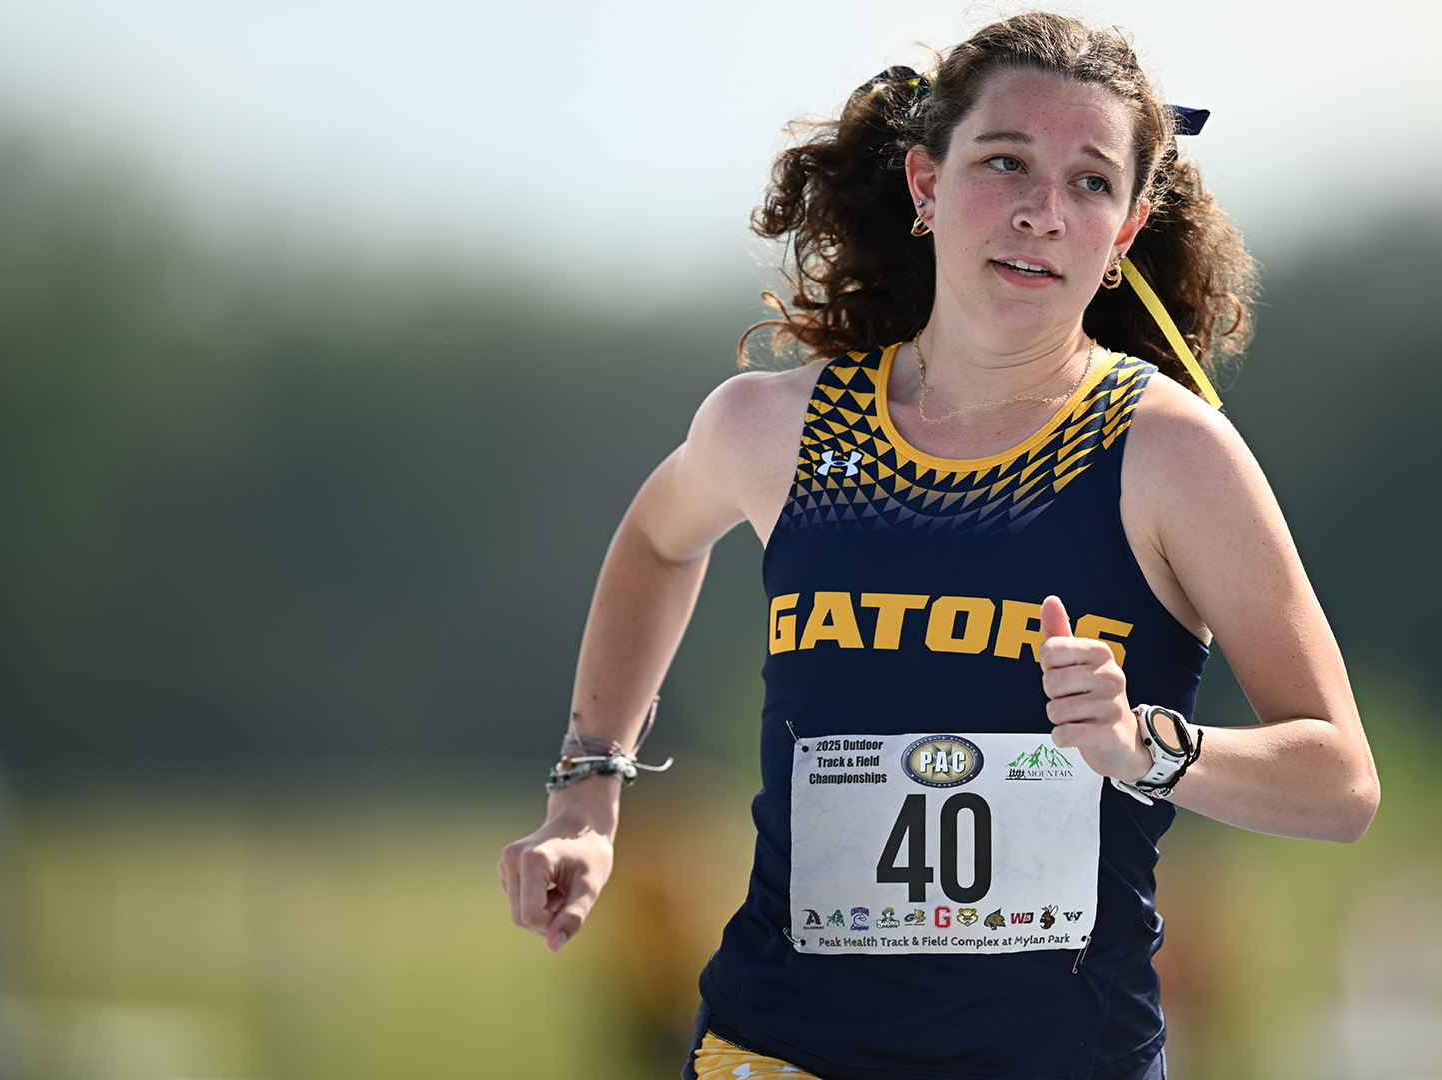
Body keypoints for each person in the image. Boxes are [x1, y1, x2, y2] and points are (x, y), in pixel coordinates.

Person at [499, 12, 1378, 1079]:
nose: (1041, 212)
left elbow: (1341, 781)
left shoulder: (1172, 455)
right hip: (776, 1051)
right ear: (926, 184)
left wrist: (1147, 745)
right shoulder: (774, 428)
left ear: (1130, 226)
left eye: (1091, 182)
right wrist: (587, 796)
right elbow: (655, 539)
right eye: (1004, 162)